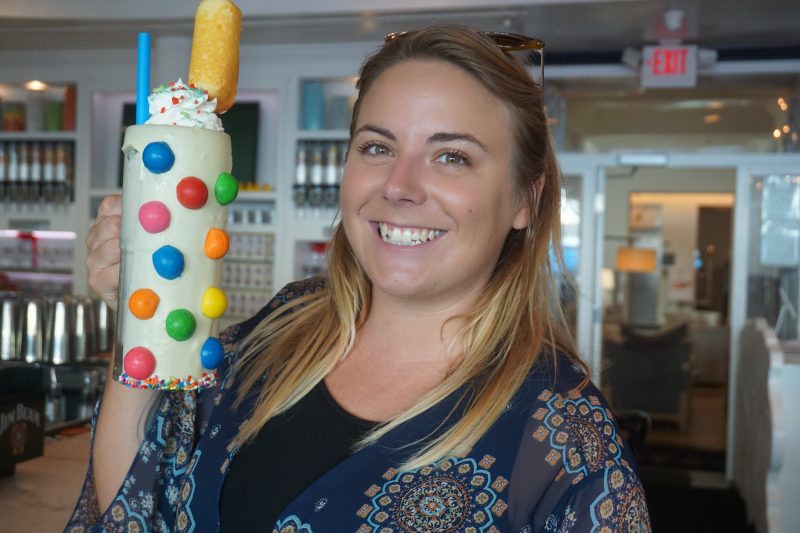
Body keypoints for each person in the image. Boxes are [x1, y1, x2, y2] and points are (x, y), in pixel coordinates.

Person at [67, 23, 651, 532]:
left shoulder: (565, 435)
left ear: (526, 198)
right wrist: (140, 308)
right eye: (376, 146)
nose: (398, 185)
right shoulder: (281, 328)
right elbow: (140, 503)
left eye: (452, 156)